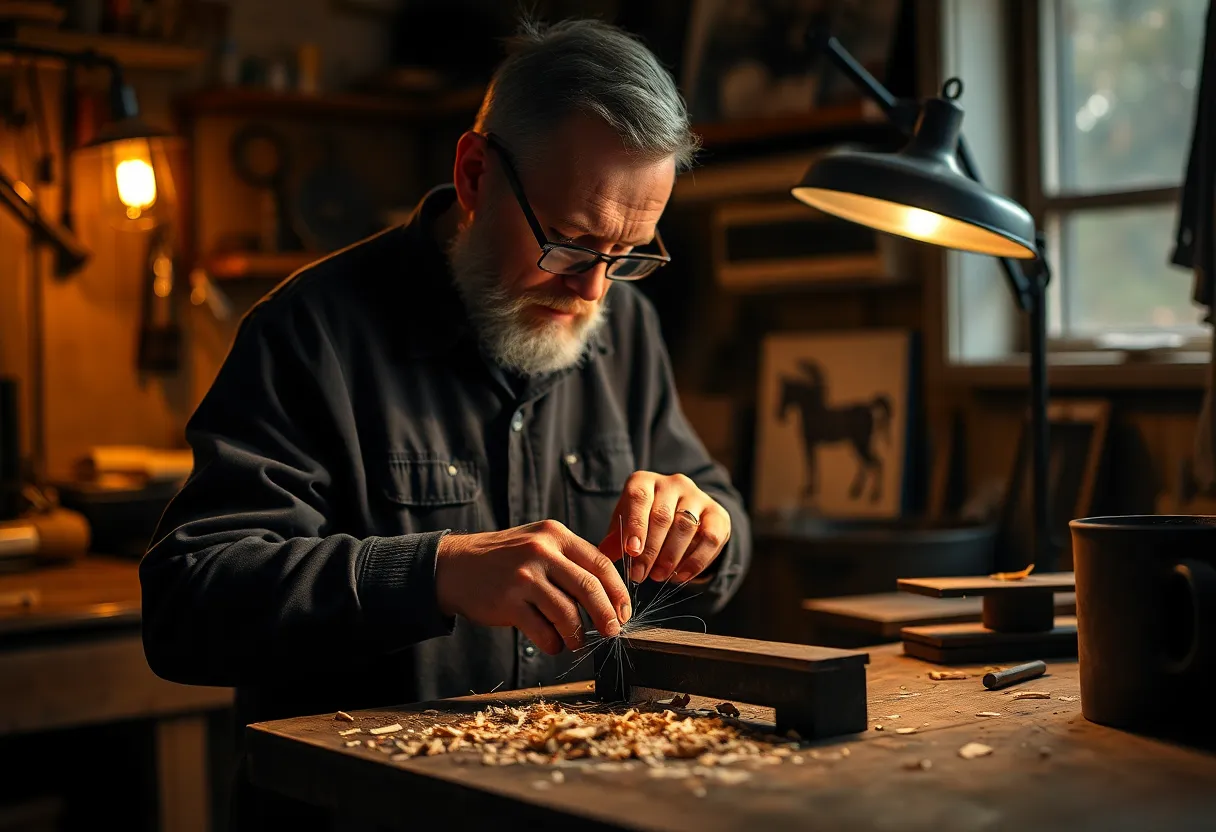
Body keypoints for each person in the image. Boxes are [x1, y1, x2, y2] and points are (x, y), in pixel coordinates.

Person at [140, 16, 752, 827]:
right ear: (473, 176)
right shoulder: (310, 333)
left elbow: (720, 512)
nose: (595, 291)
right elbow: (188, 604)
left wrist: (707, 531)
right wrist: (434, 571)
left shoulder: (624, 329)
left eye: (629, 253)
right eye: (569, 244)